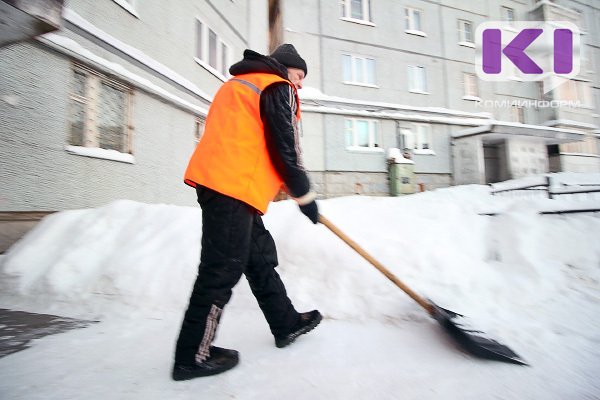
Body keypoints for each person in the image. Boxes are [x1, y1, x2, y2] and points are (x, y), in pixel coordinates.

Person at [172, 44, 322, 381]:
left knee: (257, 257)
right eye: (298, 77)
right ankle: (191, 357)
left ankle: (285, 323)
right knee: (221, 270)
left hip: (226, 185)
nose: (298, 86)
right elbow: (285, 146)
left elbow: (247, 138)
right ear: (284, 69)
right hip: (232, 186)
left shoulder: (237, 85)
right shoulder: (276, 86)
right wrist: (305, 195)